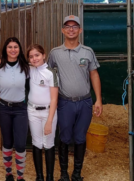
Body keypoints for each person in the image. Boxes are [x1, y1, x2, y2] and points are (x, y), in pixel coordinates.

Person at [47, 15, 102, 181]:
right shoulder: (55, 53)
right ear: (63, 30)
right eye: (68, 26)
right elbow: (47, 73)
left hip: (85, 102)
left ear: (80, 30)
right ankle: (64, 173)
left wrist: (98, 99)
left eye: (75, 26)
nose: (71, 29)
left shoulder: (88, 51)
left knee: (80, 137)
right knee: (64, 137)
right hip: (65, 102)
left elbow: (94, 74)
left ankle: (77, 174)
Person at [0, 37, 30, 181]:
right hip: (4, 109)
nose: (13, 50)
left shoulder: (26, 67)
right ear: (5, 49)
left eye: (16, 47)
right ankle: (8, 173)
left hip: (21, 109)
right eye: (10, 47)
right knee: (7, 142)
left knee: (20, 144)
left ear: (19, 49)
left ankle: (20, 176)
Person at [27, 44, 59, 181]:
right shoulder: (29, 69)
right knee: (36, 143)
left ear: (43, 55)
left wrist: (49, 121)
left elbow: (54, 98)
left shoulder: (50, 73)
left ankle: (50, 177)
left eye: (37, 55)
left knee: (49, 143)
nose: (34, 59)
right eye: (31, 56)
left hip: (48, 112)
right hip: (32, 111)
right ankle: (39, 176)